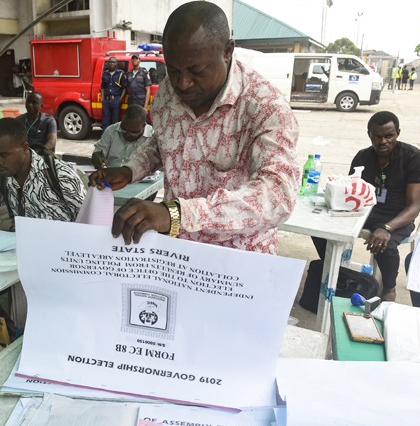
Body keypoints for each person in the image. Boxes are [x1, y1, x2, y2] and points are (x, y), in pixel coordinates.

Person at [90, 1, 300, 254]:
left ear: (227, 51)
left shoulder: (264, 107)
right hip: (175, 252)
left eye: (196, 70)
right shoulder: (168, 92)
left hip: (237, 259)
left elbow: (277, 197)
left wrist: (177, 214)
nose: (183, 83)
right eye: (174, 69)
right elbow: (164, 142)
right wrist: (131, 169)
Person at [313, 111, 420, 302]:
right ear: (369, 135)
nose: (383, 141)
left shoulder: (413, 157)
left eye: (388, 136)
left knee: (386, 244)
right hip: (365, 211)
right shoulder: (362, 157)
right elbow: (351, 191)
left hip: (397, 215)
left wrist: (387, 227)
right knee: (320, 228)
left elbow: (414, 206)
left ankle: (389, 289)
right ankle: (338, 271)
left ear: (397, 133)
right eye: (377, 136)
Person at [91, 105, 153, 169]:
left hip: (141, 177)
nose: (128, 134)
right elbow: (99, 151)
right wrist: (97, 156)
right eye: (123, 129)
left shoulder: (152, 136)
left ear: (144, 126)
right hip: (112, 174)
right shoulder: (111, 130)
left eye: (133, 132)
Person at [100, 57, 127, 131]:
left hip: (116, 100)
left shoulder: (121, 73)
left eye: (113, 62)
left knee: (115, 122)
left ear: (116, 64)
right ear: (108, 64)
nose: (112, 64)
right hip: (106, 101)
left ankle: (114, 139)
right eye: (110, 62)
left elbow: (124, 88)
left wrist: (120, 100)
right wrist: (103, 99)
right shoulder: (105, 74)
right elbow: (102, 87)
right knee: (105, 122)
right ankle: (104, 139)